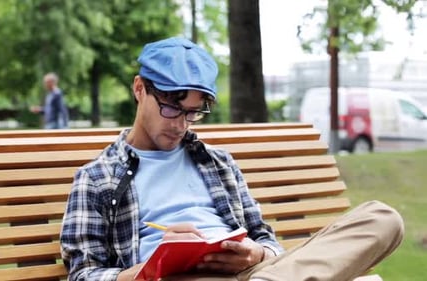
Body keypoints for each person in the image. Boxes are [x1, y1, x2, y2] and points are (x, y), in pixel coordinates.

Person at [60, 37, 404, 281]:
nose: (180, 124)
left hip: (254, 273)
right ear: (139, 89)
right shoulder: (97, 177)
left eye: (193, 113)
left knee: (383, 218)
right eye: (170, 108)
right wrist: (151, 267)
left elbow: (264, 236)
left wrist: (257, 254)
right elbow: (84, 274)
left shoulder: (217, 163)